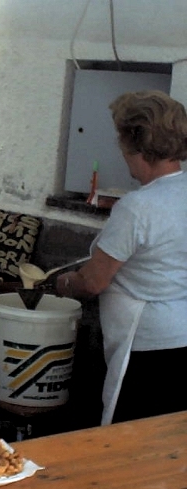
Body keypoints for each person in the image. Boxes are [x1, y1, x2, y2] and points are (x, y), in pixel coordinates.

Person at [55, 90, 187, 425]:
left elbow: (94, 281)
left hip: (145, 348)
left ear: (134, 144)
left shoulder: (137, 208)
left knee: (133, 446)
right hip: (182, 336)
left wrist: (65, 284)